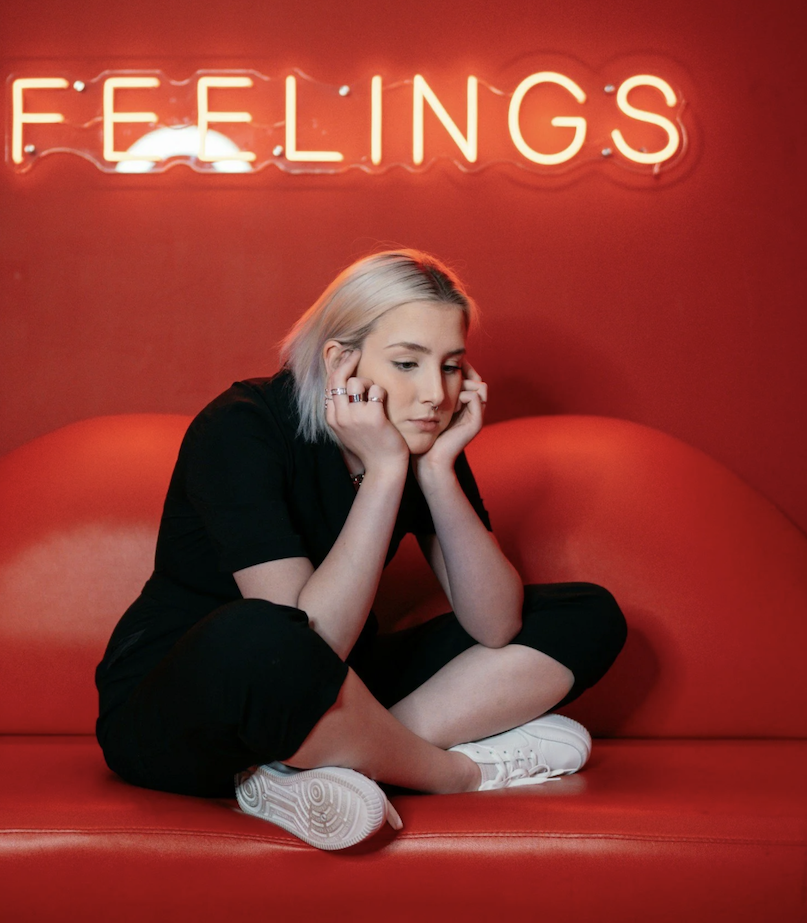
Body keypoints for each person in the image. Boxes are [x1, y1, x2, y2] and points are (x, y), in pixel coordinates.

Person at [94, 249, 626, 850]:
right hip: (189, 700)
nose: (434, 394)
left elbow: (496, 625)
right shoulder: (240, 428)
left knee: (586, 614)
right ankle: (448, 773)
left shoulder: (420, 433)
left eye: (452, 367)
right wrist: (383, 472)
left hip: (333, 686)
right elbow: (307, 639)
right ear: (341, 361)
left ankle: (318, 765)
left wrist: (438, 473)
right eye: (407, 363)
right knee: (260, 636)